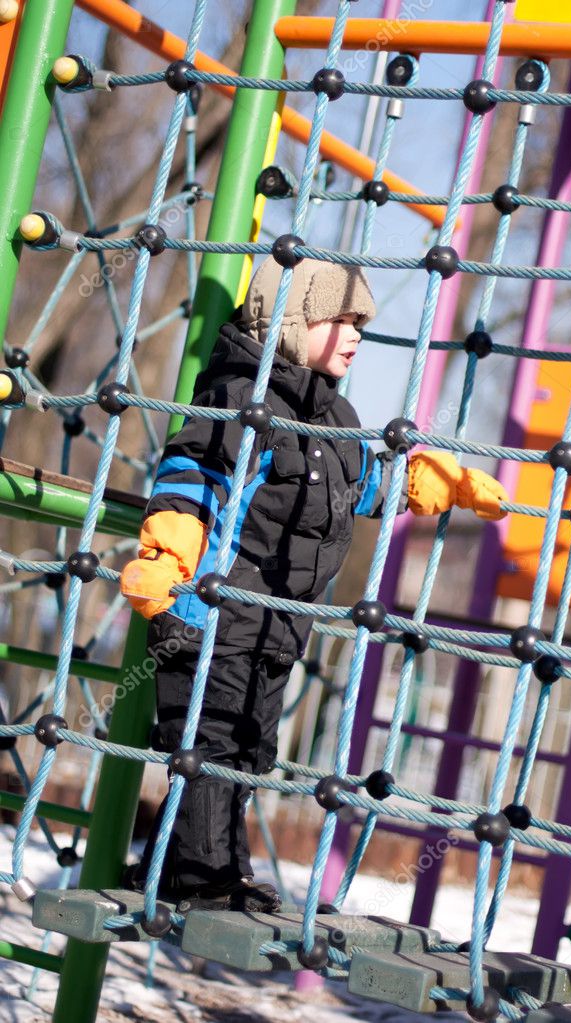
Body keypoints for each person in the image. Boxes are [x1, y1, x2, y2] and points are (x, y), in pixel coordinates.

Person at [120, 256, 508, 914]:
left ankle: (213, 866)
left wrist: (417, 481)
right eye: (343, 319)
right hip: (208, 611)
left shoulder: (335, 415)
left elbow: (353, 487)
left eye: (362, 321)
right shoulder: (243, 398)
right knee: (208, 740)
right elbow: (193, 473)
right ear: (294, 321)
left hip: (276, 623)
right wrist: (170, 547)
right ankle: (198, 876)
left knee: (250, 747)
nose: (357, 334)